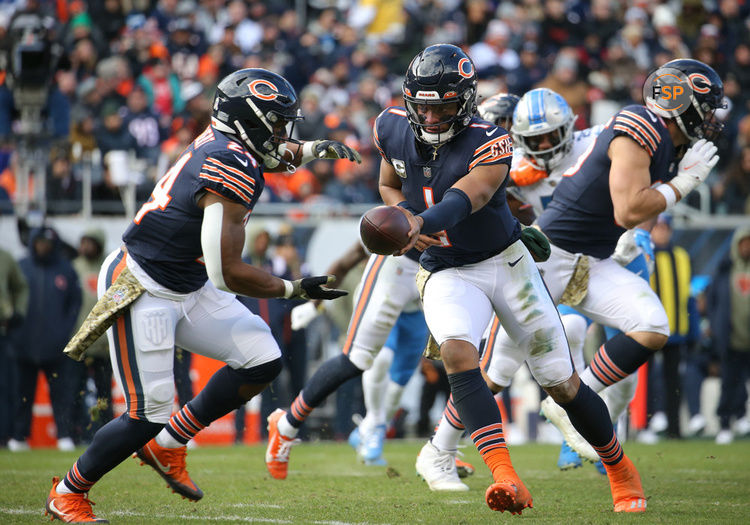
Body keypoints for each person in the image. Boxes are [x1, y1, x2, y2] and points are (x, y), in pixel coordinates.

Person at [45, 68, 357, 523]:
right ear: (249, 121)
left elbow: (270, 155)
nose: (282, 133)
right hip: (145, 284)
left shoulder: (230, 144)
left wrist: (311, 151)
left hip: (186, 282)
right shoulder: (228, 164)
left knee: (262, 358)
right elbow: (228, 272)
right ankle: (69, 491)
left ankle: (169, 444)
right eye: (274, 122)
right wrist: (293, 288)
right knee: (146, 412)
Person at [381, 44, 643, 514]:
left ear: (463, 103)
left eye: (441, 106)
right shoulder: (392, 127)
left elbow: (469, 196)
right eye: (421, 106)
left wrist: (419, 223)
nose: (430, 116)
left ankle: (621, 469)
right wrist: (401, 212)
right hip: (445, 267)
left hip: (506, 262)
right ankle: (504, 476)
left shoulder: (490, 138)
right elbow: (389, 181)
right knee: (460, 353)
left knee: (560, 383)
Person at [511, 59, 723, 465]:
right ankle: (441, 449)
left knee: (652, 325)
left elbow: (640, 208)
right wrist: (682, 185)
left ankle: (570, 404)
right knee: (497, 367)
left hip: (595, 256)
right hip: (551, 255)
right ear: (686, 102)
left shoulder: (667, 142)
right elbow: (628, 208)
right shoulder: (641, 126)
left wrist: (640, 233)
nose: (711, 119)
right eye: (707, 107)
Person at [10, 226, 83, 452]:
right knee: (22, 394)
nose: (43, 246)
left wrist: (64, 331)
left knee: (62, 394)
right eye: (40, 242)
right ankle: (19, 437)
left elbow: (75, 303)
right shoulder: (21, 267)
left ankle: (64, 435)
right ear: (33, 243)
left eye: (47, 243)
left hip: (56, 347)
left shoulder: (65, 269)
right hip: (24, 344)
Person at [647, 213, 694, 439]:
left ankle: (674, 428)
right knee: (646, 381)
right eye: (658, 228)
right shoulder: (645, 255)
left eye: (665, 228)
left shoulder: (682, 257)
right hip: (646, 330)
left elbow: (689, 296)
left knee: (674, 381)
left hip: (675, 331)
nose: (662, 232)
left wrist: (692, 331)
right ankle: (646, 426)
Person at [710, 226, 750, 444]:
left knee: (742, 382)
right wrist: (717, 329)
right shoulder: (725, 270)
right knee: (728, 382)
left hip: (748, 338)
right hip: (730, 338)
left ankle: (742, 417)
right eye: (744, 243)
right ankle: (724, 423)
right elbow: (714, 301)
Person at [71, 229, 113, 441]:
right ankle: (77, 433)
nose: (86, 246)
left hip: (105, 343)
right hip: (80, 343)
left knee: (104, 394)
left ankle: (107, 434)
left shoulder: (109, 267)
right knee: (76, 392)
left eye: (90, 242)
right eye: (83, 241)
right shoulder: (74, 268)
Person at [0, 247, 28, 448]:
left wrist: (18, 311)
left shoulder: (5, 256)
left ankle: (4, 435)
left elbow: (21, 286)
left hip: (2, 330)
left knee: (4, 386)